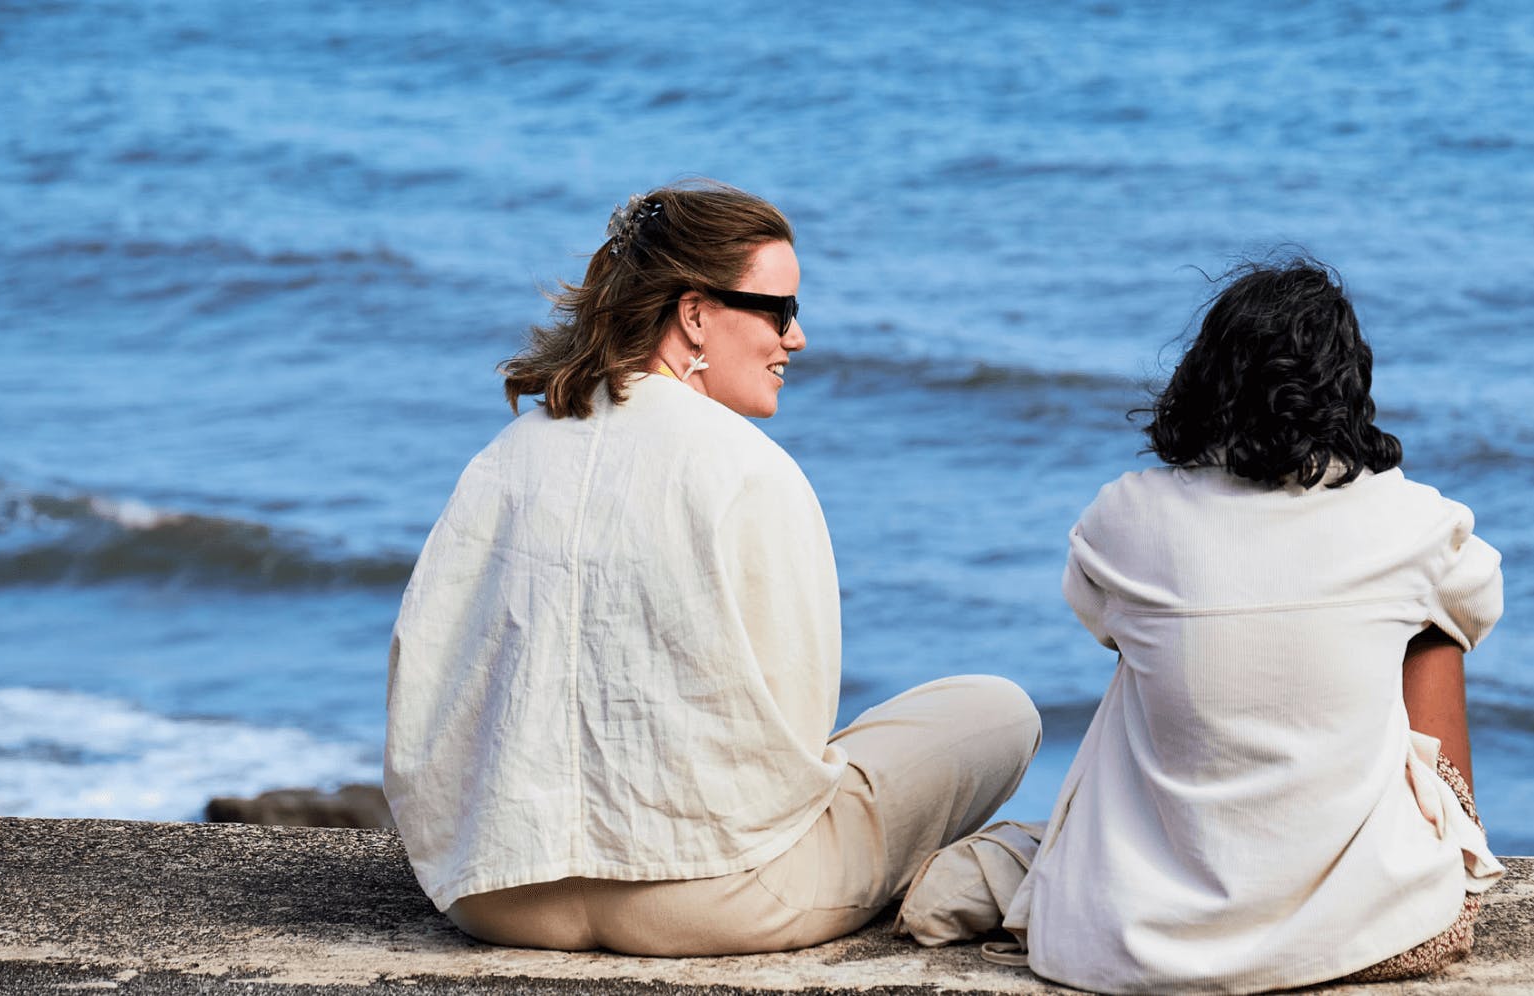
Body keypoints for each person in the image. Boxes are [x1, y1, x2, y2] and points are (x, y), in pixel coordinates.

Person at [383, 179, 1041, 956]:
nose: (795, 339)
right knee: (1000, 710)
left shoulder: (505, 459)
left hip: (497, 895)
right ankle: (991, 875)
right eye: (780, 311)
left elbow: (423, 686)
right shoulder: (748, 469)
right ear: (694, 312)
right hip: (718, 901)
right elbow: (793, 742)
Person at [1001, 258, 1507, 992]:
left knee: (1144, 637)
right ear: (1348, 386)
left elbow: (1096, 617)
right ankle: (1453, 856)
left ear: (1207, 376)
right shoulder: (1413, 523)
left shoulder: (1124, 516)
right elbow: (1477, 601)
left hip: (1127, 944)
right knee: (1434, 626)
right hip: (1375, 932)